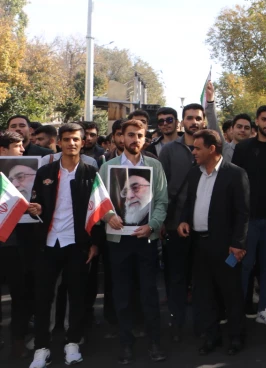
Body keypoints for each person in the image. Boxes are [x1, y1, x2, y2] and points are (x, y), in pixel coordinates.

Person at [27, 123, 105, 368]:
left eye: (77, 139)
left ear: (83, 143)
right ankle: (41, 348)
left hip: (77, 244)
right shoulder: (45, 171)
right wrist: (36, 209)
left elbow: (99, 211)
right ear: (59, 142)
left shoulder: (91, 174)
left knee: (78, 295)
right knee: (43, 297)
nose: (72, 143)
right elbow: (36, 202)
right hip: (48, 243)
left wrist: (94, 244)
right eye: (68, 139)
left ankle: (72, 343)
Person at [99, 119, 169, 364]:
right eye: (130, 135)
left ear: (144, 138)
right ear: (121, 137)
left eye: (140, 135)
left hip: (145, 239)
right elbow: (99, 202)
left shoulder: (155, 166)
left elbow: (161, 201)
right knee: (122, 295)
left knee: (149, 294)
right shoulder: (107, 168)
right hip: (118, 242)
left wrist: (153, 225)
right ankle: (126, 343)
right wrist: (108, 215)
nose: (135, 139)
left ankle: (154, 342)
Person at [178, 129, 250, 356]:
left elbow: (243, 212)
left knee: (231, 293)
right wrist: (183, 221)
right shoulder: (193, 173)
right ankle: (212, 337)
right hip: (199, 245)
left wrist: (238, 243)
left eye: (197, 148)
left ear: (212, 149)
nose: (193, 151)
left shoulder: (235, 174)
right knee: (204, 294)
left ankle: (236, 337)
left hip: (226, 246)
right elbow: (189, 203)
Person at [230, 105, 266, 327]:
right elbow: (234, 185)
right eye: (264, 119)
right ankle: (238, 310)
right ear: (257, 121)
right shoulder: (244, 148)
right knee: (244, 266)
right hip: (248, 219)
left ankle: (264, 308)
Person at [158, 102, 207, 340]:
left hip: (203, 225)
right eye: (189, 118)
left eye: (198, 118)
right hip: (174, 224)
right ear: (182, 122)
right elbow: (162, 189)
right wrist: (163, 222)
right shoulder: (169, 151)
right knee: (176, 278)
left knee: (201, 279)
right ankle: (177, 324)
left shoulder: (211, 149)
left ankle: (200, 324)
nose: (194, 122)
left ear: (204, 121)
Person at [0, 130, 36, 359]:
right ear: (3, 150)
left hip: (18, 245)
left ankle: (18, 340)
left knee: (20, 295)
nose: (23, 150)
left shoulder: (30, 171)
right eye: (18, 146)